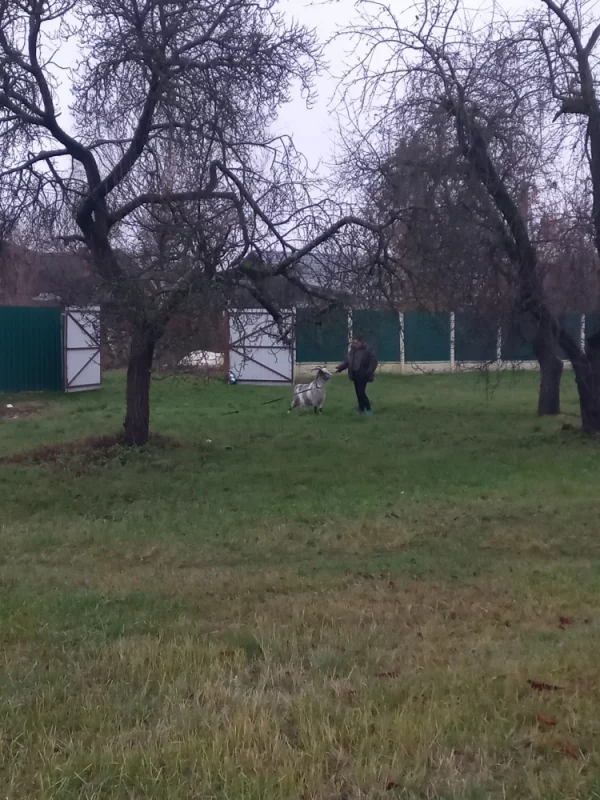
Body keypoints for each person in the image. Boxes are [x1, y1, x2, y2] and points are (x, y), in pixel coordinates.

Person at [336, 334, 378, 415]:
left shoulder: (368, 350)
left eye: (356, 343)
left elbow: (373, 362)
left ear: (361, 342)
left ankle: (369, 410)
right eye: (353, 343)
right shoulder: (352, 350)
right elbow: (348, 362)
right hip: (355, 375)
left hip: (364, 375)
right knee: (358, 393)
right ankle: (361, 410)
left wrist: (369, 371)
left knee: (361, 392)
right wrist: (339, 368)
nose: (354, 344)